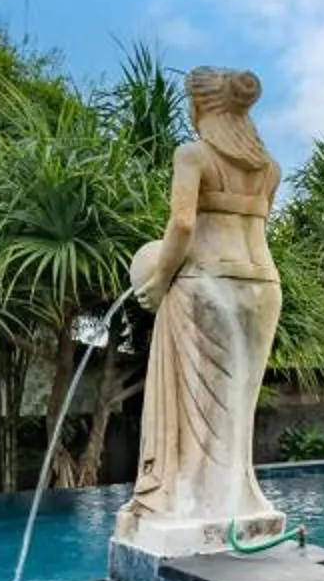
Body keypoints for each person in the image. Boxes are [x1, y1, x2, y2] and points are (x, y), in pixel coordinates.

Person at [118, 68, 285, 545]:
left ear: (200, 108)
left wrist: (157, 281)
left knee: (200, 407)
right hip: (262, 287)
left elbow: (183, 226)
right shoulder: (269, 168)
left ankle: (188, 499)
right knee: (239, 404)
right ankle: (240, 499)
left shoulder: (192, 155)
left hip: (206, 282)